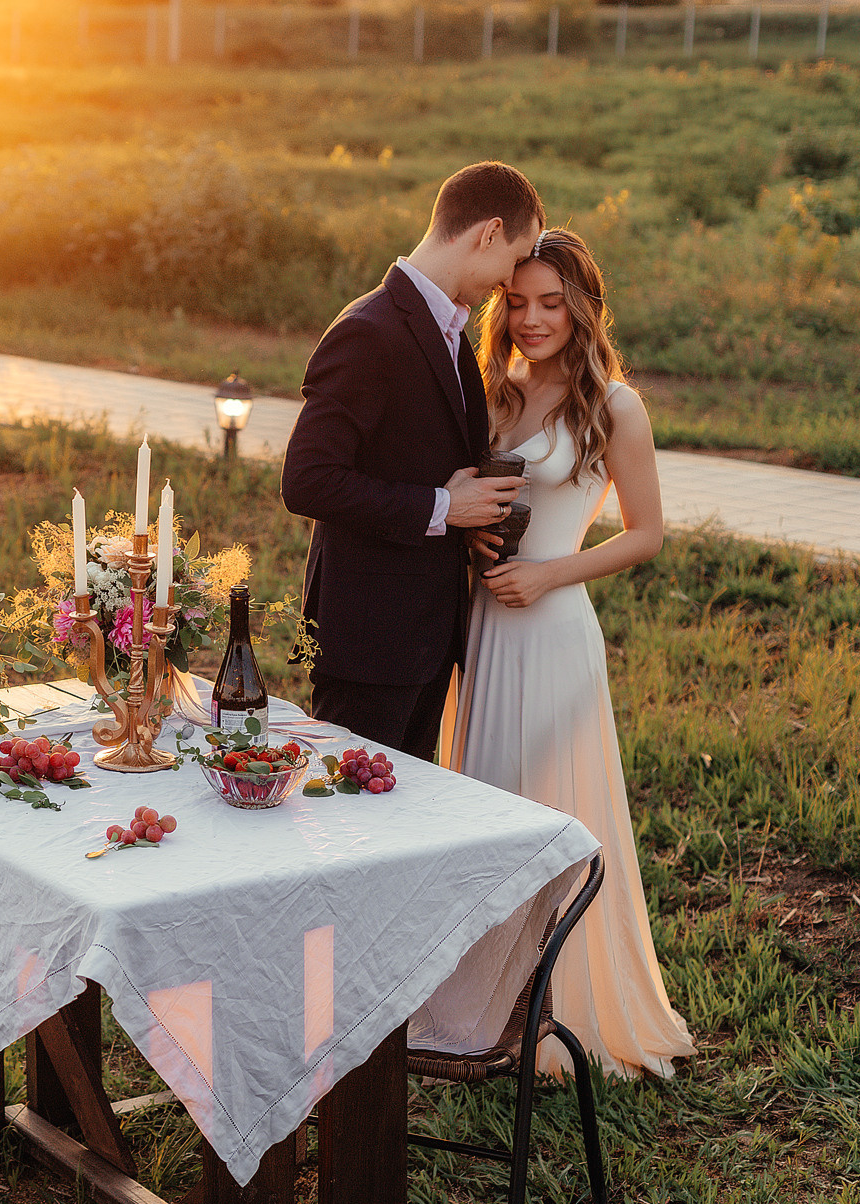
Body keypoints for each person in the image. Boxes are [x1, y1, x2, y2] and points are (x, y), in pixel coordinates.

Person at [441, 228, 696, 1078]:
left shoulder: (614, 405)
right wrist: (476, 548)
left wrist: (550, 572)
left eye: (552, 303)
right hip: (483, 628)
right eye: (517, 302)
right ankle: (476, 1011)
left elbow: (648, 532)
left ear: (582, 308)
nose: (533, 318)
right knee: (482, 806)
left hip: (551, 632)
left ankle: (562, 1011)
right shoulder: (494, 390)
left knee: (544, 809)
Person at [281, 161, 542, 762]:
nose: (509, 281)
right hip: (369, 642)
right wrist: (444, 507)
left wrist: (467, 524)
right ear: (488, 233)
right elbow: (307, 481)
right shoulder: (368, 330)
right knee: (353, 827)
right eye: (513, 259)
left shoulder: (450, 328)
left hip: (427, 636)